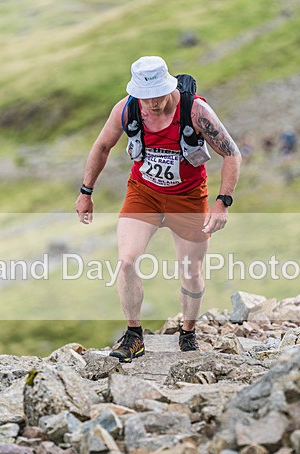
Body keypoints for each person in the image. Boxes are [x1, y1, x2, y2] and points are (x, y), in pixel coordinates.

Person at [75, 56, 241, 363]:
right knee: (126, 262)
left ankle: (188, 334)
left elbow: (231, 154)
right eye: (145, 97)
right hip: (144, 193)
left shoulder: (195, 110)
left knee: (191, 272)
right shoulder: (127, 108)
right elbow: (101, 146)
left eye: (157, 96)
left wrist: (223, 202)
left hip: (188, 198)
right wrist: (86, 192)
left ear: (169, 86)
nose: (151, 104)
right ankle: (134, 335)